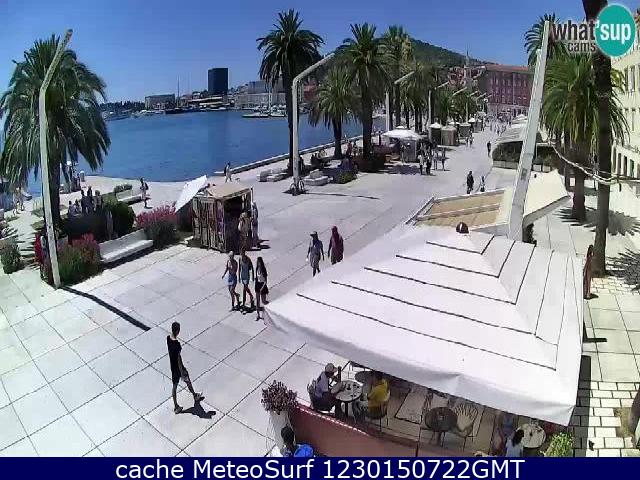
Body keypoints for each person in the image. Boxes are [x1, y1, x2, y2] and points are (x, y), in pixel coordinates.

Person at [167, 321, 205, 414]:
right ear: (177, 331)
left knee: (175, 386)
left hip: (172, 367)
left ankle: (176, 406)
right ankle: (195, 395)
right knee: (187, 380)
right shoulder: (177, 344)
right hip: (179, 368)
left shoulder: (168, 338)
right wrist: (182, 371)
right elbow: (178, 359)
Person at [255, 256, 269, 321]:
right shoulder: (257, 269)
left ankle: (269, 309)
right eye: (257, 262)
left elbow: (265, 281)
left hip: (263, 285)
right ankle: (258, 315)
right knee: (257, 301)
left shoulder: (263, 270)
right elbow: (257, 277)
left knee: (264, 301)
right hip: (257, 284)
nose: (258, 263)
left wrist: (262, 288)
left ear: (261, 262)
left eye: (259, 262)